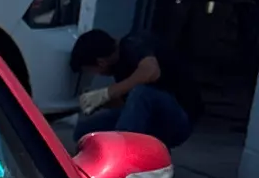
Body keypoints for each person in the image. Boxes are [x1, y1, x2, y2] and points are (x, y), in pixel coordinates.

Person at [69, 28, 200, 148]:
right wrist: (98, 102)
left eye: (92, 70)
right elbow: (129, 105)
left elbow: (151, 72)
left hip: (179, 118)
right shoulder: (118, 68)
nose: (96, 74)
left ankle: (123, 153)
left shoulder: (134, 44)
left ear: (101, 62)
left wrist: (108, 93)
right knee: (84, 132)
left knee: (141, 93)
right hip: (152, 119)